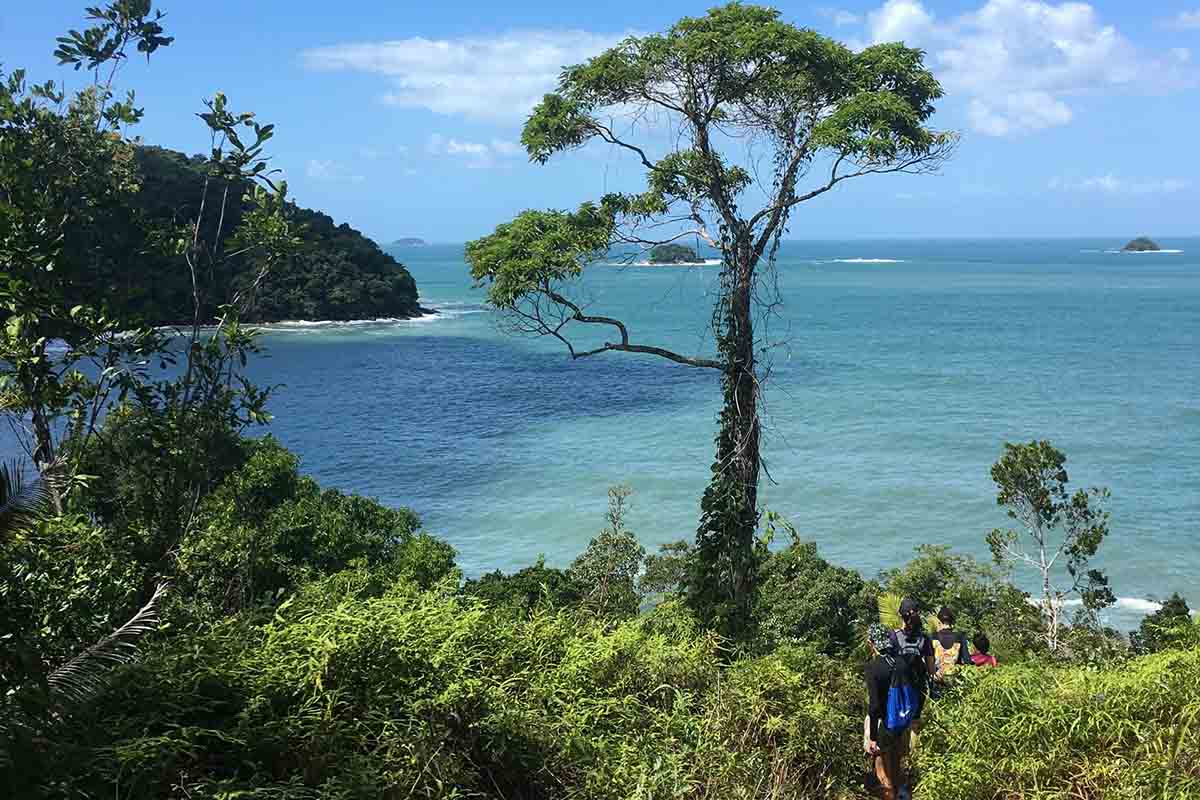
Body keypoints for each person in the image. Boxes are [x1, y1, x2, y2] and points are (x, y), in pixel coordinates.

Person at [864, 623, 912, 800]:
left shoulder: (873, 667)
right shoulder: (902, 663)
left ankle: (889, 794)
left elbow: (874, 705)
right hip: (902, 721)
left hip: (884, 722)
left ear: (872, 643)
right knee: (896, 762)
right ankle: (900, 793)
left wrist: (873, 737)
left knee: (882, 766)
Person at [931, 606, 972, 687]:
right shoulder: (960, 637)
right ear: (952, 622)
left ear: (939, 621)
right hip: (955, 682)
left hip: (936, 682)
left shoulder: (932, 637)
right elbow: (967, 660)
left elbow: (928, 660)